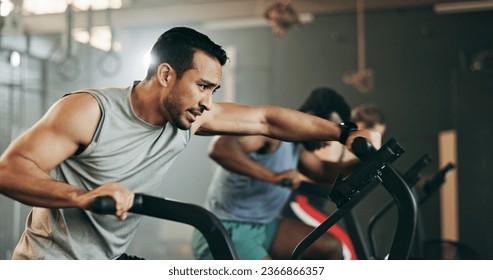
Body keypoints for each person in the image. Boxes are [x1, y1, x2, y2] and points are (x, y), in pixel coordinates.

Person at [0, 26, 380, 260]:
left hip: (106, 261)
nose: (208, 102)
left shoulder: (188, 118)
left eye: (213, 90)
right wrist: (79, 197)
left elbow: (267, 119)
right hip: (50, 264)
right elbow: (9, 170)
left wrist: (343, 133)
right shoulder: (89, 111)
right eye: (202, 87)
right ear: (166, 74)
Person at [191, 88, 367, 260]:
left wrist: (366, 159)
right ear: (313, 118)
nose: (328, 142)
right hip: (225, 229)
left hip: (265, 227)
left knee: (330, 248)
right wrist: (272, 176)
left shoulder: (296, 148)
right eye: (327, 131)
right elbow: (220, 148)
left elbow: (324, 172)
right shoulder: (271, 136)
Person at [282, 103, 387, 260]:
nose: (372, 143)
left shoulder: (347, 148)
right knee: (346, 252)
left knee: (352, 252)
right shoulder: (331, 141)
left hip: (318, 201)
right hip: (301, 200)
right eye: (374, 135)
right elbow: (320, 171)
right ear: (361, 126)